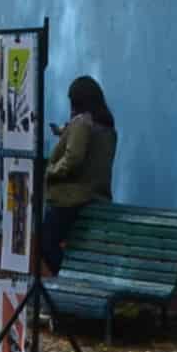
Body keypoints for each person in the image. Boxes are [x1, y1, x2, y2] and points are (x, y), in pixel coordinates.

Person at [40, 77, 117, 273]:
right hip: (96, 197)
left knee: (46, 242)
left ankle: (68, 279)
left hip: (71, 200)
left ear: (78, 101)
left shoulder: (82, 123)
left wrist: (51, 171)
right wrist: (64, 132)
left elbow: (73, 158)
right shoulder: (106, 127)